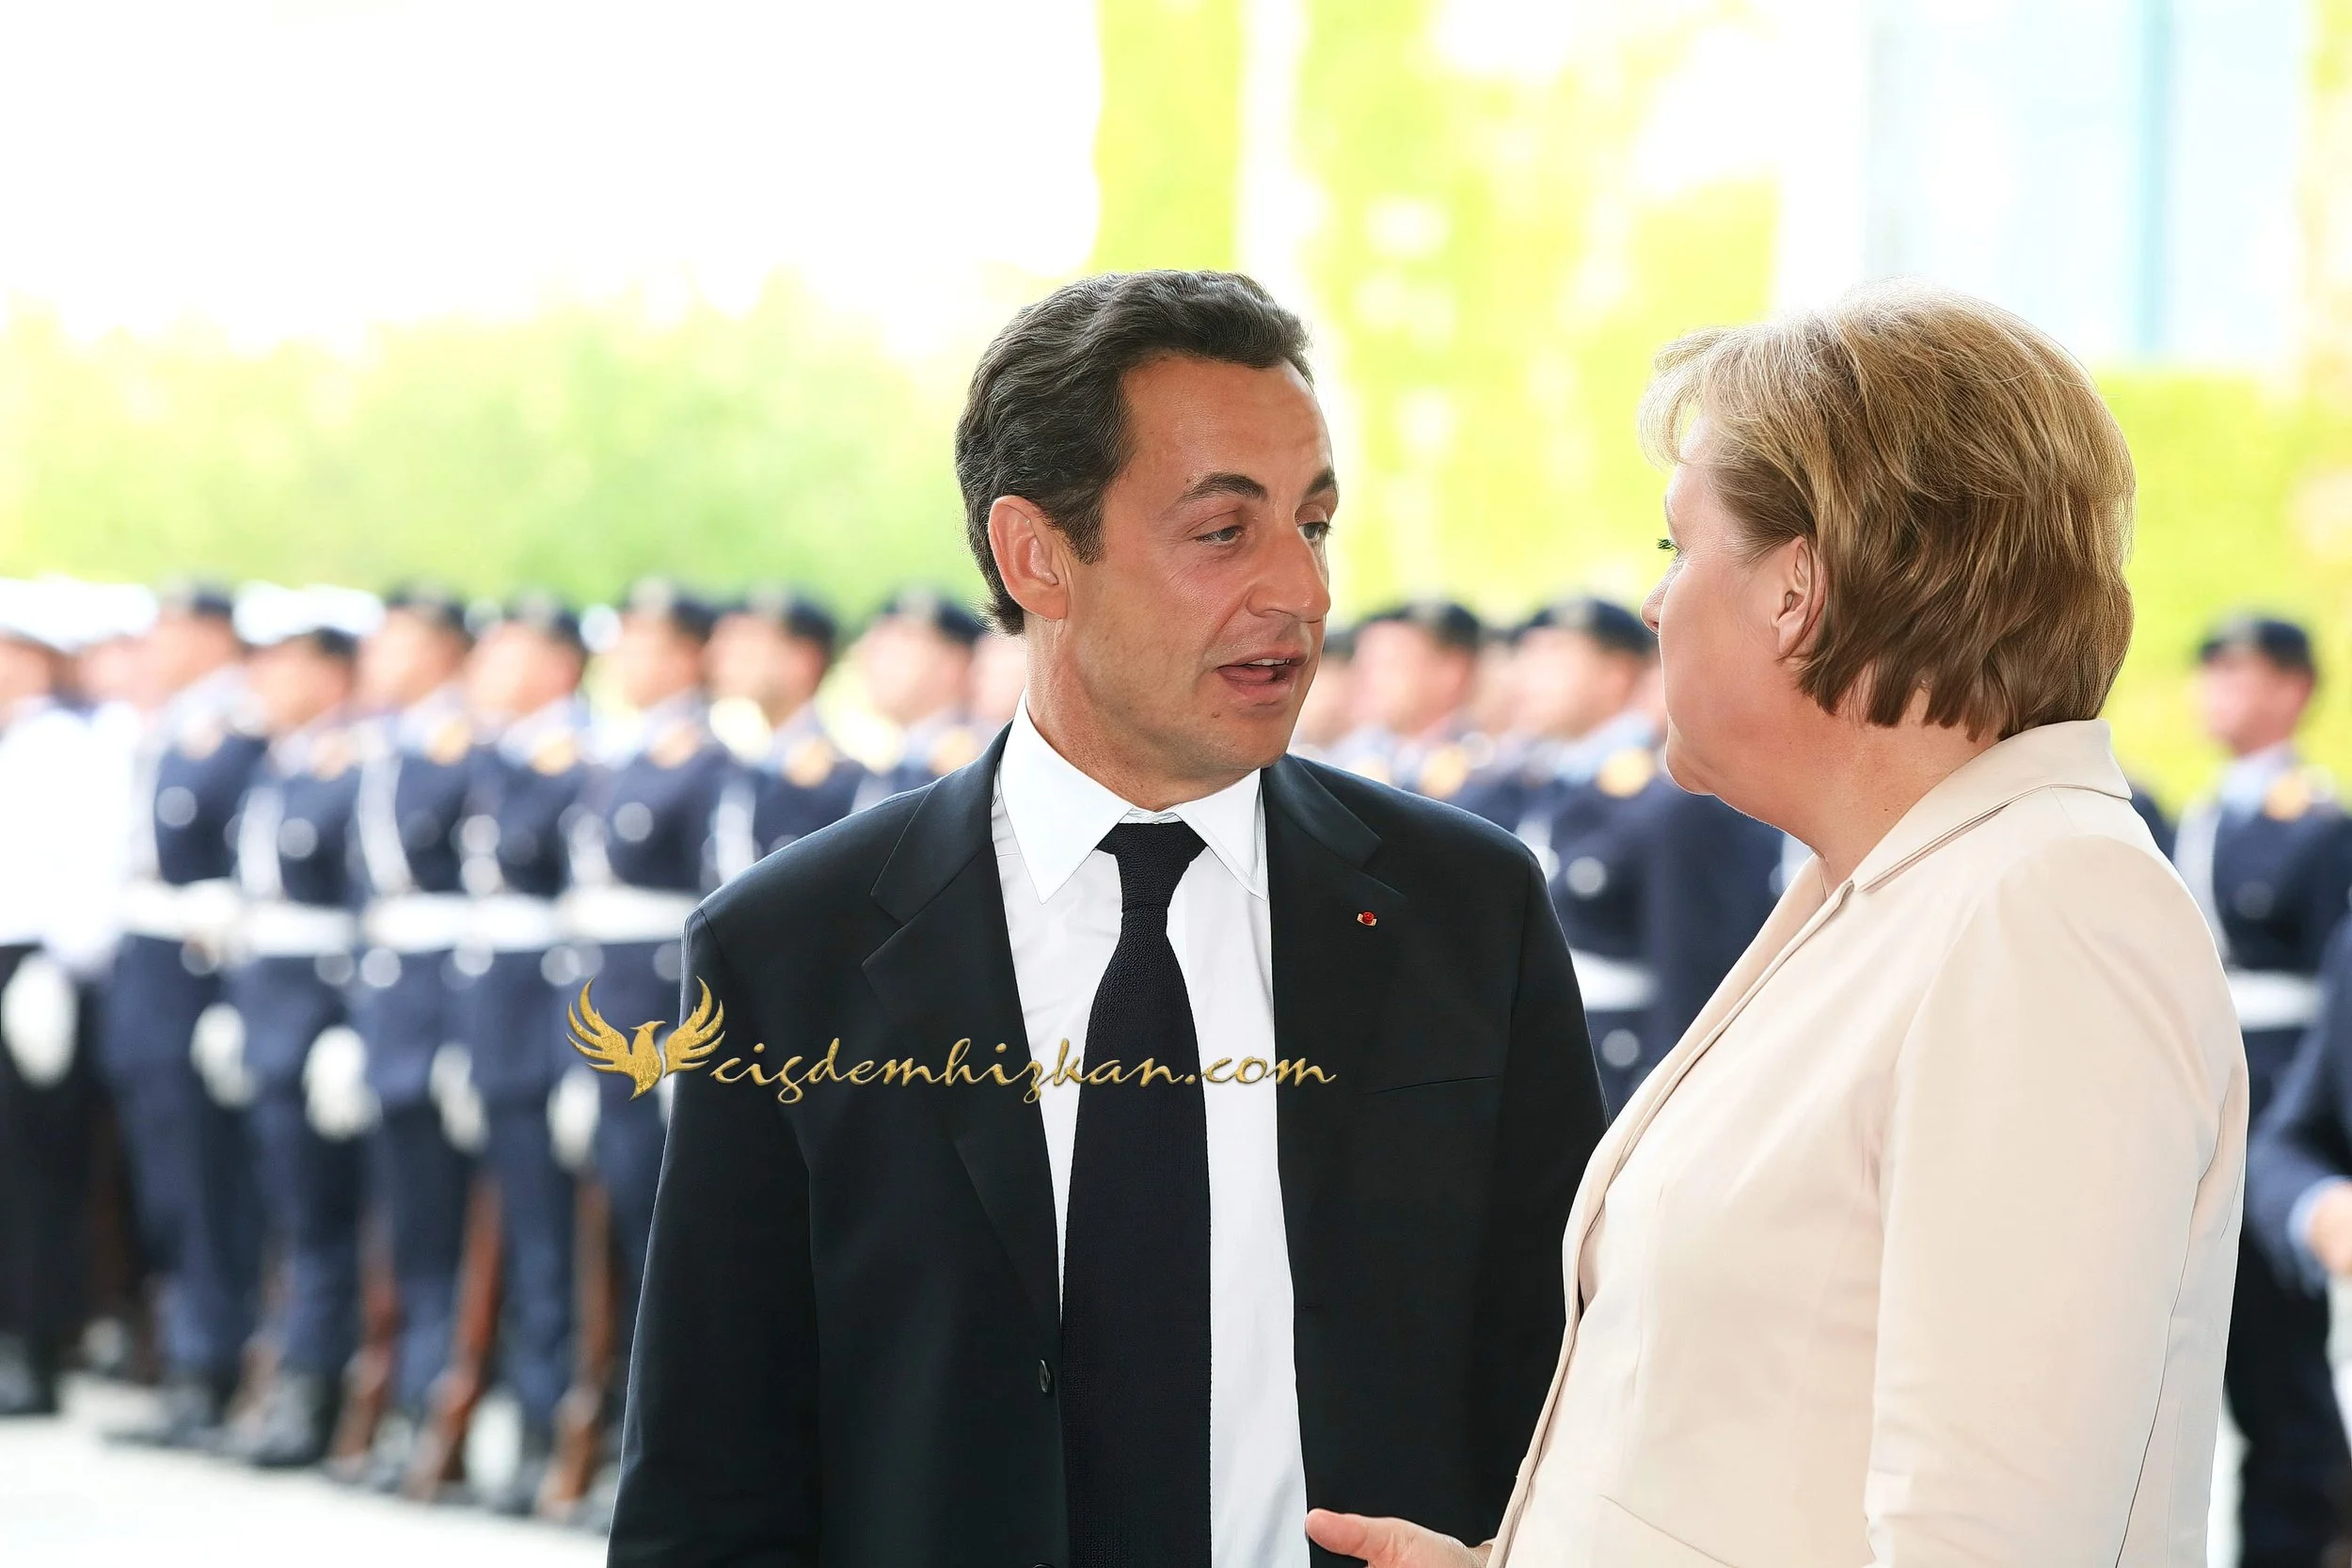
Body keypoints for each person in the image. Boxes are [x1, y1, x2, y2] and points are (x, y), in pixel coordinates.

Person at [610, 270, 1604, 1567]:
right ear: (1037, 556)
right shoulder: (795, 949)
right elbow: (709, 1473)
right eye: (1222, 532)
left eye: (1314, 524)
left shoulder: (1464, 910)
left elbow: (1576, 1386)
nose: (1299, 591)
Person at [1311, 283, 2245, 1567]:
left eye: (1675, 548)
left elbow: (1985, 1543)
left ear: (1799, 586)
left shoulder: (2046, 909)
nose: (1655, 607)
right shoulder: (1896, 889)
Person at [2175, 613, 2352, 1568]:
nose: (2217, 691)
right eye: (2211, 672)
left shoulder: (2318, 824)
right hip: (2209, 1104)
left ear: (2292, 689)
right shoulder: (2201, 815)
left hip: (2287, 1101)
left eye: (2238, 673)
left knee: (2284, 1371)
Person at [555, 578, 733, 1409]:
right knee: (617, 1234)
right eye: (623, 639)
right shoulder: (617, 756)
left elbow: (720, 919)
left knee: (668, 1246)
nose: (629, 658)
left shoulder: (710, 763)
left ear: (695, 654)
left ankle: (663, 1432)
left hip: (660, 1036)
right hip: (607, 1030)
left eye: (651, 642)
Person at [105, 583, 269, 1449]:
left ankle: (215, 1363)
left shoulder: (239, 733)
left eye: (170, 629)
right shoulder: (172, 726)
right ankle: (184, 1354)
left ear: (211, 635)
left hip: (197, 971)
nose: (155, 646)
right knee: (165, 1178)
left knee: (208, 1181)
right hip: (149, 964)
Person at [340, 584, 483, 1486]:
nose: (379, 657)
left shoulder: (465, 749)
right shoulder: (382, 747)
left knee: (447, 1221)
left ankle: (439, 1394)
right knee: (402, 1221)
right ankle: (404, 1397)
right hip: (386, 1006)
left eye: (398, 642)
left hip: (447, 1009)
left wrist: (461, 1035)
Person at [453, 593, 590, 1514]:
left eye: (509, 651)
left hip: (552, 1029)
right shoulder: (495, 756)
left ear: (558, 666)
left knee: (556, 1245)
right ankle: (532, 1414)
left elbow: (577, 927)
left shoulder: (577, 760)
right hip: (496, 1026)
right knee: (522, 1234)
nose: (486, 666)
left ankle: (561, 1423)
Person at [222, 617, 369, 1468]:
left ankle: (316, 1383)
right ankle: (285, 1370)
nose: (267, 678)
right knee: (282, 1206)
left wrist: (348, 1024)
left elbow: (368, 908)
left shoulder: (354, 768)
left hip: (321, 1013)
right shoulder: (278, 764)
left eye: (287, 662)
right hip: (268, 1006)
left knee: (322, 1215)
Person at [0, 598, 117, 1417]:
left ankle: (34, 1347)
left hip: (34, 963)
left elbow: (96, 862)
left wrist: (62, 964)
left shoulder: (66, 746)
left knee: (32, 1172)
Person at [707, 586, 866, 880]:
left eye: (749, 645)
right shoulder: (737, 758)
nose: (722, 655)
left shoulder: (841, 772)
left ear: (803, 661)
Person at [1327, 599, 1486, 800]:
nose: (1367, 679)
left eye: (1387, 665)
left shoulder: (1489, 768)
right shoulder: (1347, 757)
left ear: (1452, 672)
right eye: (1362, 665)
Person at [851, 587, 987, 803]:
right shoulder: (884, 762)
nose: (871, 658)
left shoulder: (978, 763)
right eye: (875, 644)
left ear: (954, 663)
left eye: (900, 644)